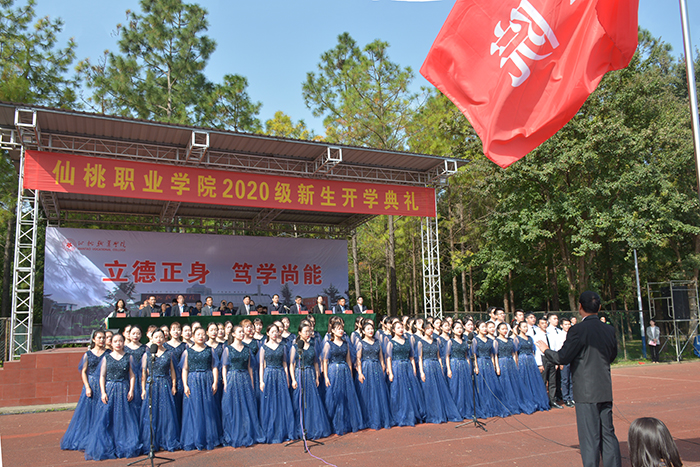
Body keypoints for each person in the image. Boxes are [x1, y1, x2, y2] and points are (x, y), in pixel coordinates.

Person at [536, 291, 621, 467]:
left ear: (580, 307)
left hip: (585, 390)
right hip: (604, 387)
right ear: (599, 307)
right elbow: (612, 355)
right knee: (608, 432)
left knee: (589, 436)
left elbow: (563, 357)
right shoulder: (608, 329)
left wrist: (546, 351)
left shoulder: (578, 330)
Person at [84, 333, 140, 460]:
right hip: (110, 389)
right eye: (115, 341)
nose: (118, 343)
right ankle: (108, 445)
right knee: (107, 417)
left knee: (125, 417)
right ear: (112, 343)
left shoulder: (129, 357)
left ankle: (124, 443)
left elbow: (132, 375)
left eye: (120, 341)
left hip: (124, 389)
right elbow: (102, 376)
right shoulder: (106, 358)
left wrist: (131, 390)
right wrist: (103, 392)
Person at [61, 330, 108, 451]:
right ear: (94, 339)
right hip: (92, 384)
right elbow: (83, 371)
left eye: (103, 338)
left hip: (104, 384)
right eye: (99, 338)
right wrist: (87, 386)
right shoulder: (88, 354)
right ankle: (87, 438)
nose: (101, 340)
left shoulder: (108, 353)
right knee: (89, 412)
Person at [221, 325, 265, 447]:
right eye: (239, 332)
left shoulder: (248, 349)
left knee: (247, 405)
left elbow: (250, 367)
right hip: (233, 378)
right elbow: (224, 367)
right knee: (233, 406)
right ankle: (234, 432)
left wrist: (251, 381)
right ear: (233, 334)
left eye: (242, 332)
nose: (242, 334)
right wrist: (225, 381)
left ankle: (247, 431)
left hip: (245, 378)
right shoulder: (228, 349)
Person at [180, 327, 223, 450]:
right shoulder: (188, 351)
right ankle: (195, 438)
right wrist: (185, 384)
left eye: (203, 334)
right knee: (194, 409)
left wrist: (215, 382)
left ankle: (209, 437)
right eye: (198, 334)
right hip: (193, 380)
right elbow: (185, 369)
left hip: (207, 379)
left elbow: (214, 366)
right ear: (193, 336)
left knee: (209, 408)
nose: (201, 336)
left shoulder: (210, 350)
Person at [139, 329, 180, 453]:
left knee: (166, 413)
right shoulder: (147, 354)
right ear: (151, 338)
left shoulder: (169, 353)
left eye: (161, 337)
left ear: (164, 338)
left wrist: (173, 385)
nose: (158, 339)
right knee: (152, 413)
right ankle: (151, 442)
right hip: (151, 384)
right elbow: (143, 373)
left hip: (165, 383)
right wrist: (143, 389)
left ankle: (167, 440)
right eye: (156, 337)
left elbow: (172, 370)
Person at [289, 322, 332, 440]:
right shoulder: (295, 346)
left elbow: (316, 362)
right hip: (299, 374)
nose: (308, 334)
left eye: (309, 331)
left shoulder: (312, 345)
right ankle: (300, 427)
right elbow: (292, 364)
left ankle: (312, 427)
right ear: (299, 333)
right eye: (305, 331)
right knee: (300, 401)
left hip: (310, 374)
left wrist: (317, 376)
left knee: (312, 401)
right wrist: (293, 379)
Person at [322, 320, 364, 435]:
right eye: (338, 329)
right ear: (333, 331)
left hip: (345, 371)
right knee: (334, 397)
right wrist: (325, 376)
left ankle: (346, 423)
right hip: (333, 372)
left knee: (347, 398)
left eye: (342, 329)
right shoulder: (328, 344)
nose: (341, 331)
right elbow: (325, 361)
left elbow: (349, 360)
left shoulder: (346, 343)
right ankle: (333, 424)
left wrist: (350, 374)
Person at [416, 322, 462, 423]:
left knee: (440, 390)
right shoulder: (420, 342)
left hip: (436, 366)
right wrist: (422, 372)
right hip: (426, 366)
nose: (430, 330)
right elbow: (419, 358)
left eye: (431, 328)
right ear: (423, 330)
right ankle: (431, 413)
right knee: (429, 390)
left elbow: (439, 356)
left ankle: (441, 412)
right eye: (427, 328)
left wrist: (441, 368)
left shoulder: (436, 341)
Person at [259, 324, 296, 443]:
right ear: (268, 333)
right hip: (269, 375)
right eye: (272, 331)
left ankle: (284, 430)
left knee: (282, 402)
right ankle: (270, 431)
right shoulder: (263, 348)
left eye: (276, 331)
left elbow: (285, 363)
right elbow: (261, 365)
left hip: (280, 374)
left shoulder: (283, 347)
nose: (275, 334)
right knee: (270, 403)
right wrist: (261, 380)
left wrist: (287, 378)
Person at [354, 319, 393, 430]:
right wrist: (360, 373)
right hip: (366, 368)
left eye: (372, 329)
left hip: (377, 368)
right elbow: (358, 358)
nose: (371, 331)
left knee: (379, 393)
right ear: (363, 331)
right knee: (367, 394)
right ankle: (368, 419)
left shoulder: (377, 342)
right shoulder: (360, 343)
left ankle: (380, 418)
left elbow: (381, 357)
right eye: (368, 329)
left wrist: (383, 367)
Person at [385, 321, 425, 426]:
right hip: (397, 368)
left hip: (407, 367)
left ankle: (412, 414)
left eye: (401, 327)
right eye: (398, 328)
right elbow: (388, 358)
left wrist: (414, 369)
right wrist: (390, 373)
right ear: (393, 330)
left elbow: (412, 356)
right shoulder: (390, 343)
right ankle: (399, 415)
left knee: (410, 392)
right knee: (398, 392)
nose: (401, 329)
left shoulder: (408, 341)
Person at [472, 320, 508, 419]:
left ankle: (493, 406)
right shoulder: (475, 340)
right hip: (480, 362)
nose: (485, 329)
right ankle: (484, 406)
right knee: (482, 386)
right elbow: (474, 354)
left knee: (492, 385)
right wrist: (476, 366)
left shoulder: (490, 340)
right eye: (482, 327)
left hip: (489, 364)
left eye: (485, 327)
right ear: (477, 328)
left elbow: (492, 354)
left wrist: (495, 366)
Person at [514, 321, 549, 412]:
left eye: (526, 327)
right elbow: (515, 354)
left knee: (534, 381)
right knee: (524, 381)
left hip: (531, 361)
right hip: (522, 361)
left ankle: (536, 401)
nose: (525, 328)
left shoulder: (530, 338)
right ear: (520, 328)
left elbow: (533, 351)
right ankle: (526, 402)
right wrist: (516, 364)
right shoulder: (516, 339)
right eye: (524, 327)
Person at [445, 320, 474, 420]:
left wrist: (469, 365)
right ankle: (457, 410)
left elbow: (466, 356)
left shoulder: (465, 342)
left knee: (466, 388)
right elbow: (447, 356)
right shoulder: (450, 341)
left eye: (461, 328)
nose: (459, 330)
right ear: (453, 330)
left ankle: (466, 410)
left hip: (464, 365)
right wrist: (448, 369)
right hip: (454, 365)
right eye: (457, 328)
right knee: (456, 388)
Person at [545, 313, 566, 408]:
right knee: (546, 380)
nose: (556, 320)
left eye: (557, 318)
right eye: (554, 318)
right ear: (549, 320)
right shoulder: (547, 331)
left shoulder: (559, 331)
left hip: (559, 356)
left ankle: (556, 397)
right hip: (549, 357)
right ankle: (547, 399)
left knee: (557, 379)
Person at [560, 317, 574, 406]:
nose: (568, 326)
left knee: (572, 379)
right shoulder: (560, 335)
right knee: (565, 380)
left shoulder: (573, 334)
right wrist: (560, 361)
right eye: (565, 324)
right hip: (564, 360)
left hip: (572, 359)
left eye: (569, 324)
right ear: (561, 326)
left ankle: (572, 397)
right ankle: (566, 398)